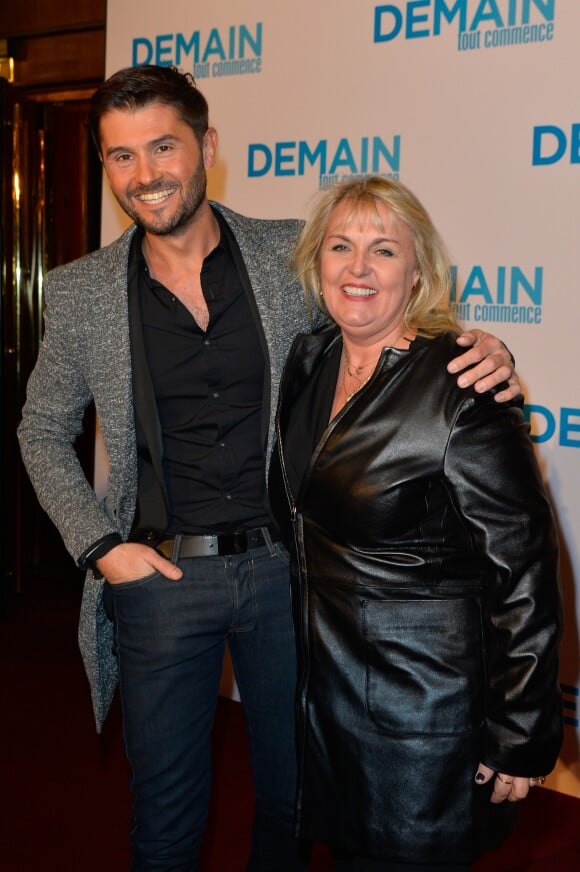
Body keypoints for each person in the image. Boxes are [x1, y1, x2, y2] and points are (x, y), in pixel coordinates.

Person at [18, 66, 517, 872]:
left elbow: (383, 314)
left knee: (292, 804)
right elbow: (40, 430)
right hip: (159, 581)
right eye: (121, 157)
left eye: (163, 146)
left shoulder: (290, 251)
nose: (145, 175)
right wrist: (102, 548)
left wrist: (475, 346)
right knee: (166, 818)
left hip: (290, 573)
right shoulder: (79, 294)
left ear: (206, 146)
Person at [269, 175, 562, 871]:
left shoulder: (461, 387)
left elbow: (523, 570)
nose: (359, 268)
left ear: (419, 270)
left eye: (383, 250)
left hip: (421, 724)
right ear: (317, 262)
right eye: (341, 246)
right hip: (329, 706)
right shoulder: (309, 361)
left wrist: (520, 732)